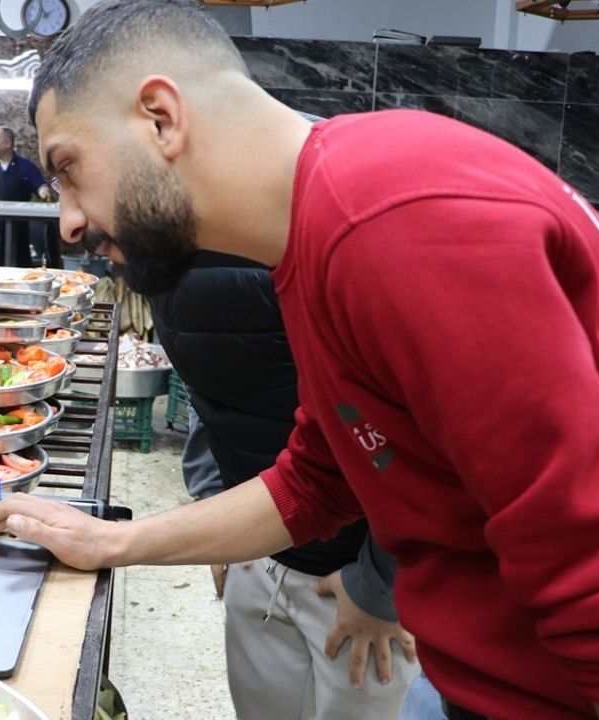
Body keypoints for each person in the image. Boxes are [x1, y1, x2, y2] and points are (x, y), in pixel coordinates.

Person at [0, 2, 599, 719]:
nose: (65, 222)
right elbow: (317, 481)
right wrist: (113, 542)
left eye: (70, 170)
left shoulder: (386, 216)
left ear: (161, 117)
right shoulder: (315, 238)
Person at [161, 251, 418, 719]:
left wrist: (380, 585)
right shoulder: (167, 257)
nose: (71, 224)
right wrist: (217, 504)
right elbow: (211, 394)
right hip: (261, 551)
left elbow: (417, 436)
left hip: (356, 577)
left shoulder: (331, 250)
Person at [0, 126, 52, 266]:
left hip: (20, 228)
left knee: (19, 262)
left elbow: (40, 187)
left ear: (8, 143)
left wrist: (44, 192)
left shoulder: (25, 167)